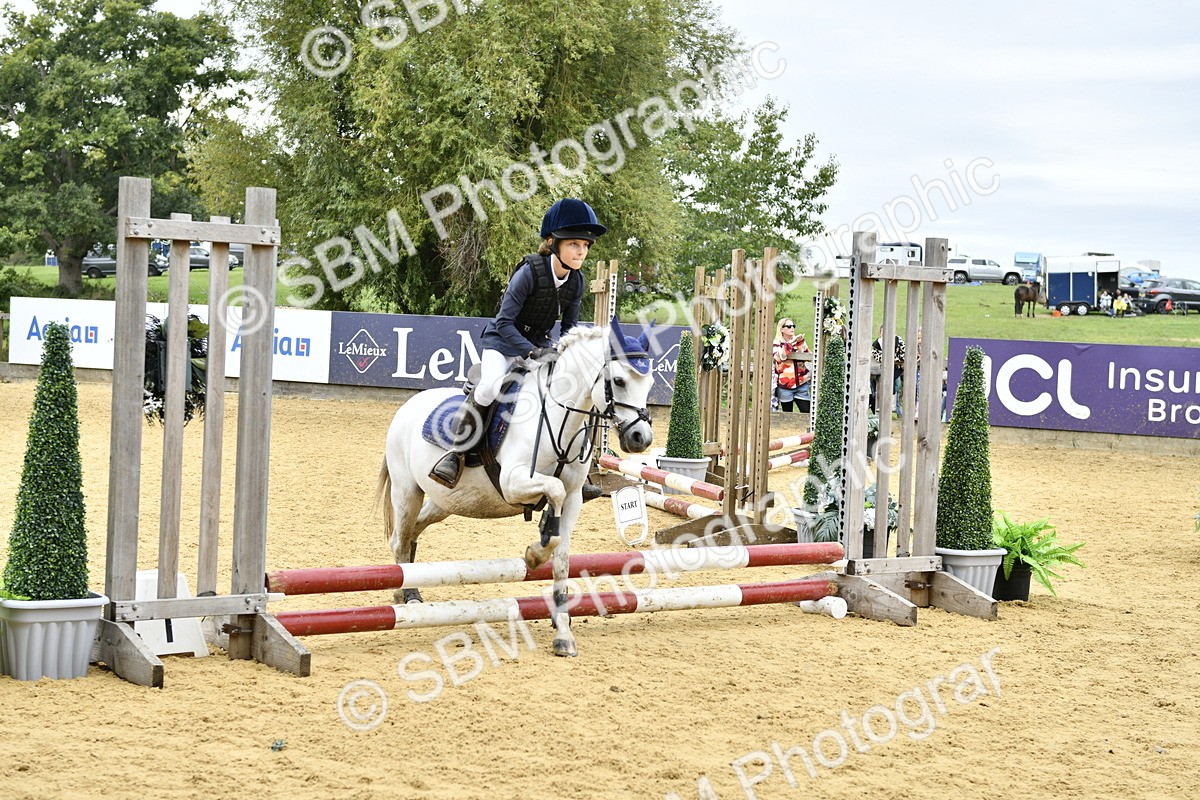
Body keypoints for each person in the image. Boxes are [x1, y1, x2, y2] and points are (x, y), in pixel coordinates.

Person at [429, 198, 606, 488]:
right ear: (553, 242)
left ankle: (574, 467)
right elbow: (503, 322)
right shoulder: (529, 273)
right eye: (574, 244)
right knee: (489, 386)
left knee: (570, 390)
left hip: (541, 345)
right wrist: (531, 351)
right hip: (503, 342)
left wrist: (563, 353)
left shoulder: (576, 281)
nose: (581, 251)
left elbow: (571, 327)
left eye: (585, 245)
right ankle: (457, 452)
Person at [772, 318, 811, 412]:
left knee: (806, 412)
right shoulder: (776, 343)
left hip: (802, 383)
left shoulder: (798, 341)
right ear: (781, 329)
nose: (792, 328)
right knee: (787, 415)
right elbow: (779, 357)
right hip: (785, 385)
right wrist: (790, 343)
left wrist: (800, 342)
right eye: (789, 326)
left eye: (793, 326)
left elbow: (807, 356)